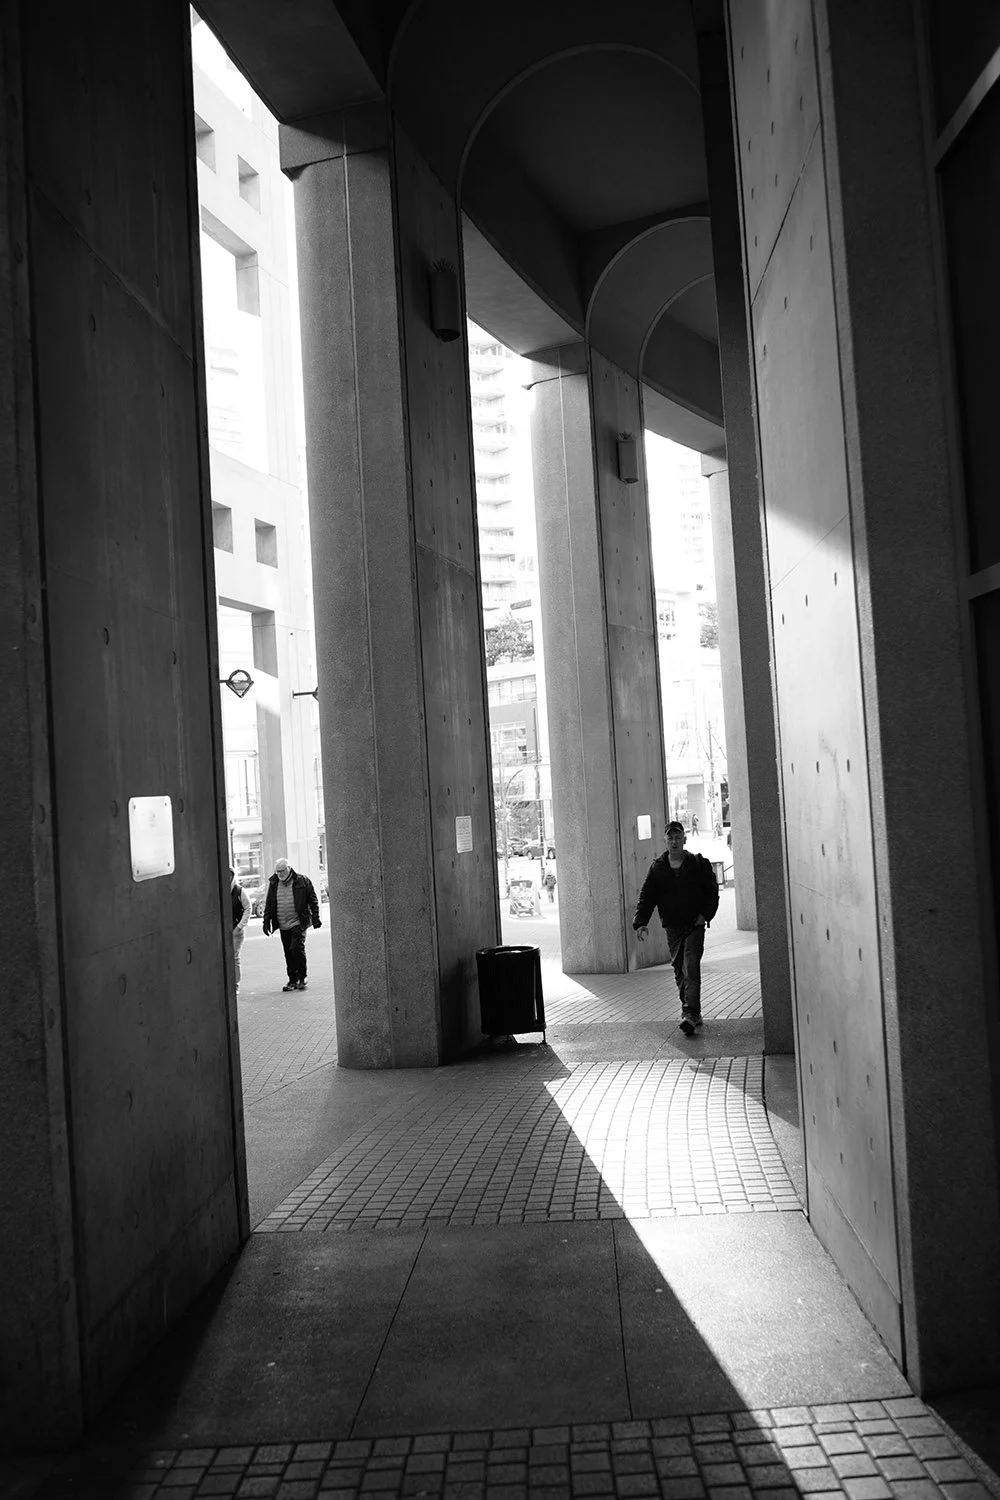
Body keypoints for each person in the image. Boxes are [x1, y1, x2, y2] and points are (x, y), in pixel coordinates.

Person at [633, 820, 719, 1036]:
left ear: (684, 839)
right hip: (672, 927)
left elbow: (711, 891)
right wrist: (641, 922)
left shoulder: (697, 864)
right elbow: (647, 896)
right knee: (680, 971)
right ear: (665, 841)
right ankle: (693, 1012)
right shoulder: (658, 868)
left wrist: (705, 915)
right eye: (670, 838)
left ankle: (689, 1014)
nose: (674, 841)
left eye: (677, 837)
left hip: (694, 926)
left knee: (691, 966)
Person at [262, 857, 321, 992]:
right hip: (282, 923)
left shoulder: (302, 881)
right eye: (277, 872)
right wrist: (266, 921)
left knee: (296, 948)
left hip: (298, 922)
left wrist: (316, 918)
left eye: (282, 871)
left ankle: (302, 977)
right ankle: (292, 980)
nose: (280, 874)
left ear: (289, 868)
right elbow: (269, 903)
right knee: (288, 951)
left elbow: (313, 900)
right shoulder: (274, 883)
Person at [230, 867, 251, 994]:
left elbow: (248, 908)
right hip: (225, 929)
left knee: (234, 956)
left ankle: (236, 984)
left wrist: (240, 926)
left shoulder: (239, 891)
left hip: (236, 930)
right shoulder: (220, 891)